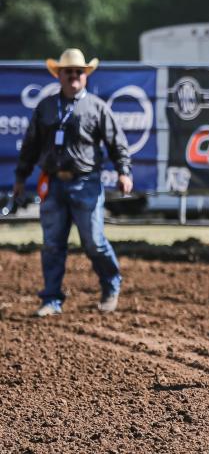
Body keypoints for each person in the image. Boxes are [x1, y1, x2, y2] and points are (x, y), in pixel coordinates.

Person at [14, 48, 133, 316]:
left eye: (78, 72)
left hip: (86, 183)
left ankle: (110, 284)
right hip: (54, 183)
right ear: (59, 75)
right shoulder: (46, 107)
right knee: (52, 245)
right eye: (68, 72)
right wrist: (21, 176)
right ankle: (51, 299)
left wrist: (124, 171)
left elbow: (116, 142)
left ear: (86, 76)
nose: (73, 76)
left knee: (94, 242)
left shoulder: (96, 107)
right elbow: (31, 145)